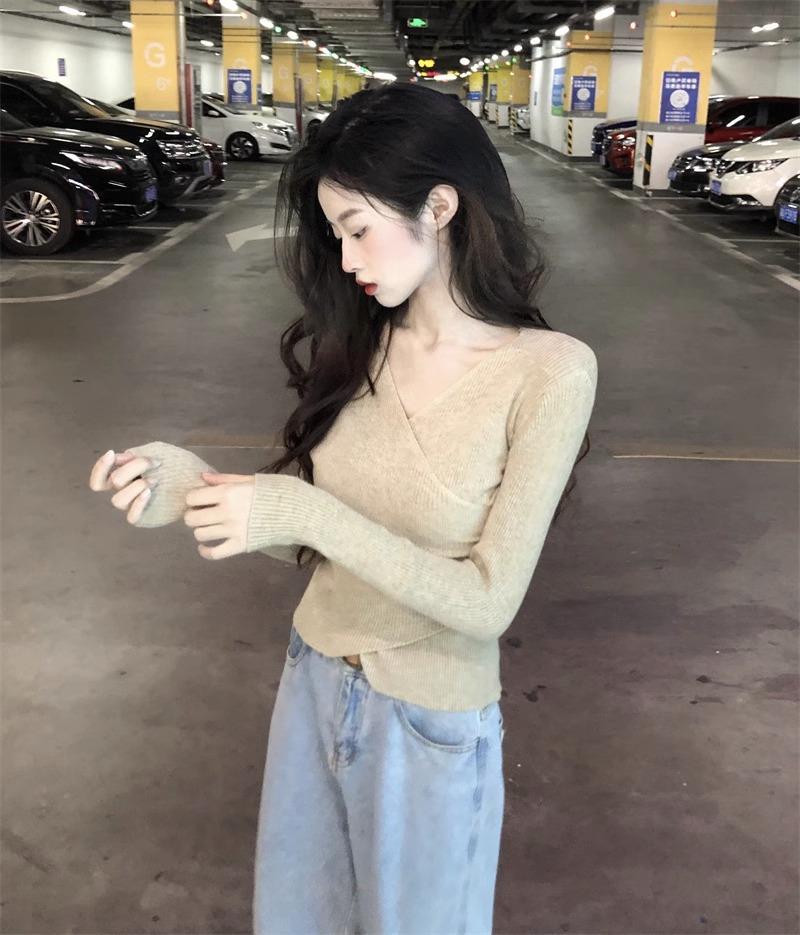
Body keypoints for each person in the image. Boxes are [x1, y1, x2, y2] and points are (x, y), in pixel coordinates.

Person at [88, 82, 598, 935]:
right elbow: (317, 539)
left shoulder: (549, 371)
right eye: (335, 234)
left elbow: (488, 601)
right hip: (313, 682)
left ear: (440, 207)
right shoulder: (359, 342)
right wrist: (191, 488)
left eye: (358, 227)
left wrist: (302, 510)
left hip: (430, 722)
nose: (347, 256)